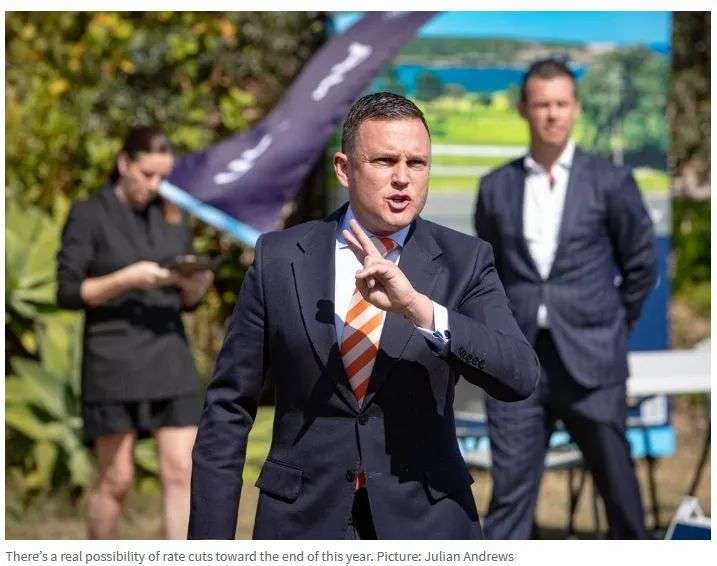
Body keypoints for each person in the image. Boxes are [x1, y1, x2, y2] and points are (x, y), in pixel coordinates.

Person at [188, 92, 540, 540]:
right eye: (385, 161)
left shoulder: (464, 260)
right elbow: (228, 409)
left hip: (426, 521)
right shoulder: (281, 258)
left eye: (417, 163)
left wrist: (419, 309)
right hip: (304, 521)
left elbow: (518, 375)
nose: (402, 178)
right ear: (344, 168)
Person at [474, 59, 658, 539]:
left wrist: (612, 327)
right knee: (509, 499)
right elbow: (488, 274)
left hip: (592, 362)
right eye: (542, 105)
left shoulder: (611, 181)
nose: (552, 114)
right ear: (524, 110)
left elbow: (641, 266)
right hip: (518, 365)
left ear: (576, 109)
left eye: (561, 104)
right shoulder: (495, 187)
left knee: (620, 496)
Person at [57, 125, 214, 539]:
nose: (155, 185)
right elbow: (68, 292)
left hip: (169, 355)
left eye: (163, 177)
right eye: (147, 174)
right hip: (114, 360)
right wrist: (126, 279)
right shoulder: (88, 214)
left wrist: (194, 286)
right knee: (117, 479)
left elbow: (187, 301)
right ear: (124, 163)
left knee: (183, 470)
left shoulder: (172, 215)